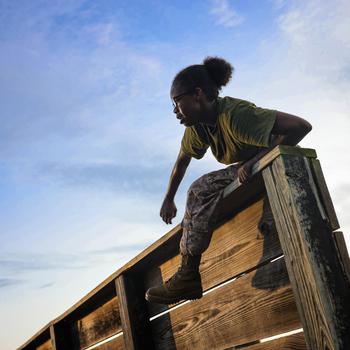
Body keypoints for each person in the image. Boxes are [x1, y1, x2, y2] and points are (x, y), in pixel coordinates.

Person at [145, 56, 312, 305]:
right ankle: (188, 274)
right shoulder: (199, 127)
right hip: (253, 169)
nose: (175, 112)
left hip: (281, 165)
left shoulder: (236, 115)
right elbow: (182, 161)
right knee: (199, 190)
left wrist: (258, 160)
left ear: (198, 94)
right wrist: (168, 197)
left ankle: (188, 275)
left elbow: (301, 126)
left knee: (199, 190)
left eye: (176, 102)